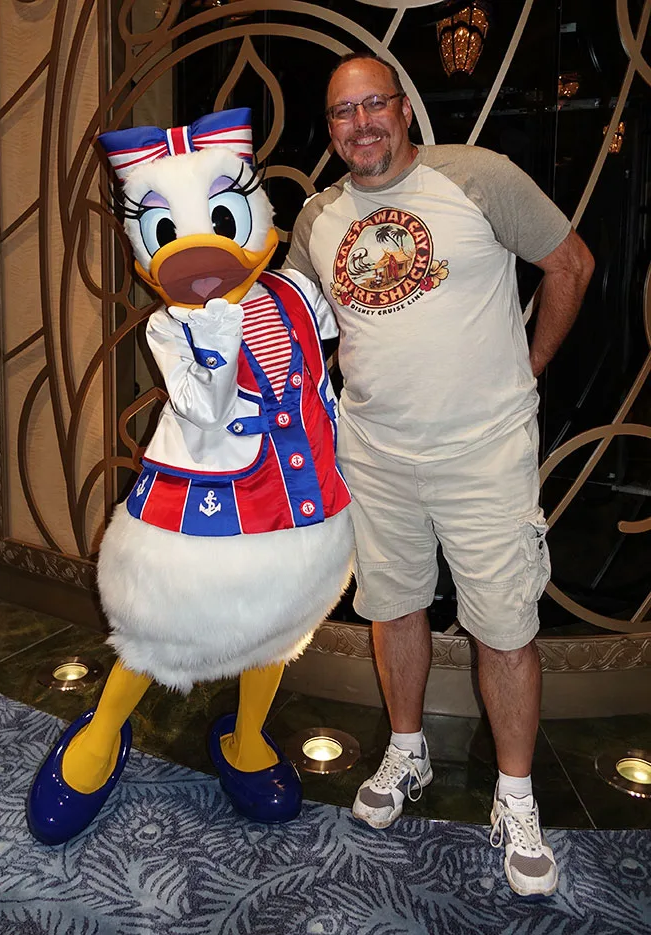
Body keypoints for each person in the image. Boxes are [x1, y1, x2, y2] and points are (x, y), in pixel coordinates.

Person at [285, 52, 594, 898]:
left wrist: (529, 366)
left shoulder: (476, 177)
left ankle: (517, 796)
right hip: (375, 455)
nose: (360, 125)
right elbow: (299, 324)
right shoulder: (318, 215)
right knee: (393, 608)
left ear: (403, 109)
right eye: (342, 113)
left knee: (504, 627)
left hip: (482, 452)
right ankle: (407, 749)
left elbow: (572, 264)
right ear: (333, 128)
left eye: (373, 104)